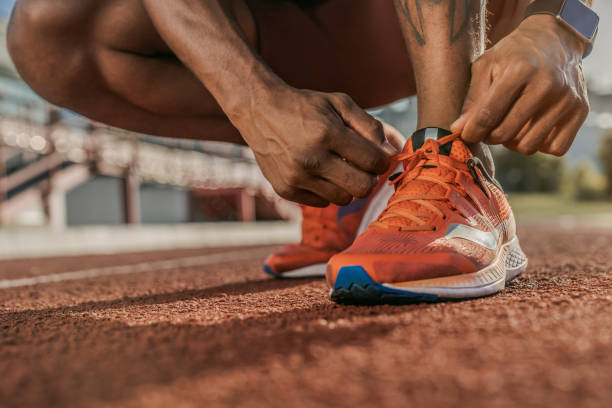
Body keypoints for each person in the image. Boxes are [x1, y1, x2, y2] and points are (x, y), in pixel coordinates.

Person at [7, 0, 595, 303]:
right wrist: (257, 103)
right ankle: (353, 166)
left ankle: (451, 163)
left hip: (482, 12)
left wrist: (565, 23)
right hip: (324, 27)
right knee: (55, 35)